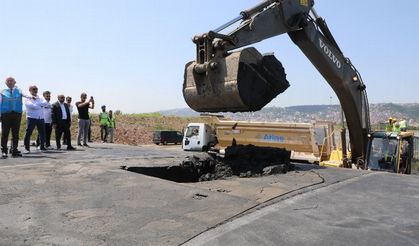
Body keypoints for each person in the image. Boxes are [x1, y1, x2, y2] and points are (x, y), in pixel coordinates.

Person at [0, 77, 30, 158]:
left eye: (11, 81)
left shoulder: (19, 91)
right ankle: (4, 151)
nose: (10, 82)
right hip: (5, 114)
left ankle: (14, 150)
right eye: (8, 81)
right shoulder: (2, 92)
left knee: (15, 133)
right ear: (6, 83)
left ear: (15, 82)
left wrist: (30, 97)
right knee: (5, 133)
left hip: (17, 114)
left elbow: (26, 94)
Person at [23, 85, 48, 153]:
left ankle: (42, 146)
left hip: (41, 118)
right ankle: (27, 148)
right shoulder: (27, 97)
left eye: (36, 89)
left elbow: (46, 103)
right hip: (31, 118)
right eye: (34, 89)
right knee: (28, 133)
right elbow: (32, 106)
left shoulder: (40, 96)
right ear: (30, 90)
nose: (35, 90)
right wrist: (40, 105)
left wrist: (38, 104)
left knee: (42, 133)